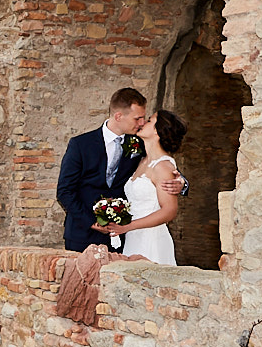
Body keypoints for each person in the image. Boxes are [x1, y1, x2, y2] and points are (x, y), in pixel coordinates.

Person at [56, 88, 184, 252]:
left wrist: (181, 183)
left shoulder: (140, 144)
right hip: (82, 235)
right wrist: (91, 222)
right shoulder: (80, 145)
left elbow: (163, 165)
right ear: (118, 116)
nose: (141, 123)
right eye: (137, 118)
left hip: (123, 239)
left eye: (144, 118)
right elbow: (64, 191)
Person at [91, 110, 188, 265]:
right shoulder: (142, 159)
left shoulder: (163, 166)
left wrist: (128, 226)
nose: (143, 123)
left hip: (151, 239)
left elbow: (169, 211)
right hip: (133, 237)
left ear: (158, 131)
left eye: (149, 120)